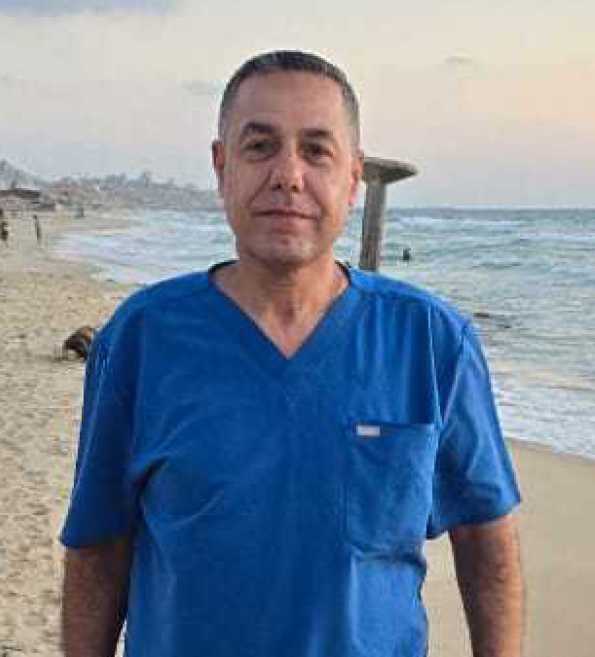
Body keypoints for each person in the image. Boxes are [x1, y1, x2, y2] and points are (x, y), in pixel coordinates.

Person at [61, 50, 524, 657]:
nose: (288, 175)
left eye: (316, 150)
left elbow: (486, 542)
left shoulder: (431, 342)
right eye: (260, 147)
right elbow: (98, 550)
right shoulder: (142, 340)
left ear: (352, 178)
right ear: (222, 167)